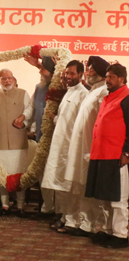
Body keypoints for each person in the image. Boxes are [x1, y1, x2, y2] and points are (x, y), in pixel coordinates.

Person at [62, 56, 109, 237]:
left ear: (99, 74)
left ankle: (91, 224)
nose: (87, 72)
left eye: (90, 70)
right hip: (80, 146)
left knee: (88, 188)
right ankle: (80, 222)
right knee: (78, 186)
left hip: (90, 148)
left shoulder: (103, 92)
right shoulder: (93, 91)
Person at [85, 63, 129, 248]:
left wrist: (126, 152)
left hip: (117, 155)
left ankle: (120, 234)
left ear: (121, 79)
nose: (107, 80)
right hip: (101, 154)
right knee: (103, 196)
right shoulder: (108, 97)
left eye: (111, 77)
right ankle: (107, 230)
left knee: (118, 197)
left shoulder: (126, 98)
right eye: (107, 77)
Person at [41, 60, 89, 231]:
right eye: (67, 73)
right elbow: (66, 121)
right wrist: (54, 117)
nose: (68, 77)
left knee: (70, 185)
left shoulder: (83, 94)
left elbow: (80, 124)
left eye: (72, 74)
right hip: (60, 145)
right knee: (60, 184)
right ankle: (62, 215)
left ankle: (71, 219)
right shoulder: (69, 92)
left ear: (81, 75)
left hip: (71, 147)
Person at [14, 56, 57, 218]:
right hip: (40, 139)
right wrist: (23, 119)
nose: (40, 72)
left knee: (52, 174)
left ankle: (56, 210)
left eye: (42, 69)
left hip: (55, 141)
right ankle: (47, 208)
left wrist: (39, 63)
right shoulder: (39, 87)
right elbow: (32, 107)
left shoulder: (59, 89)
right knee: (41, 175)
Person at [0, 69, 30, 217]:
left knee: (19, 173)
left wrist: (23, 118)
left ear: (14, 79)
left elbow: (29, 110)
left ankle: (20, 206)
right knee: (2, 174)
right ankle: (5, 205)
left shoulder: (23, 93)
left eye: (9, 78)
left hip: (18, 139)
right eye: (3, 79)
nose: (7, 81)